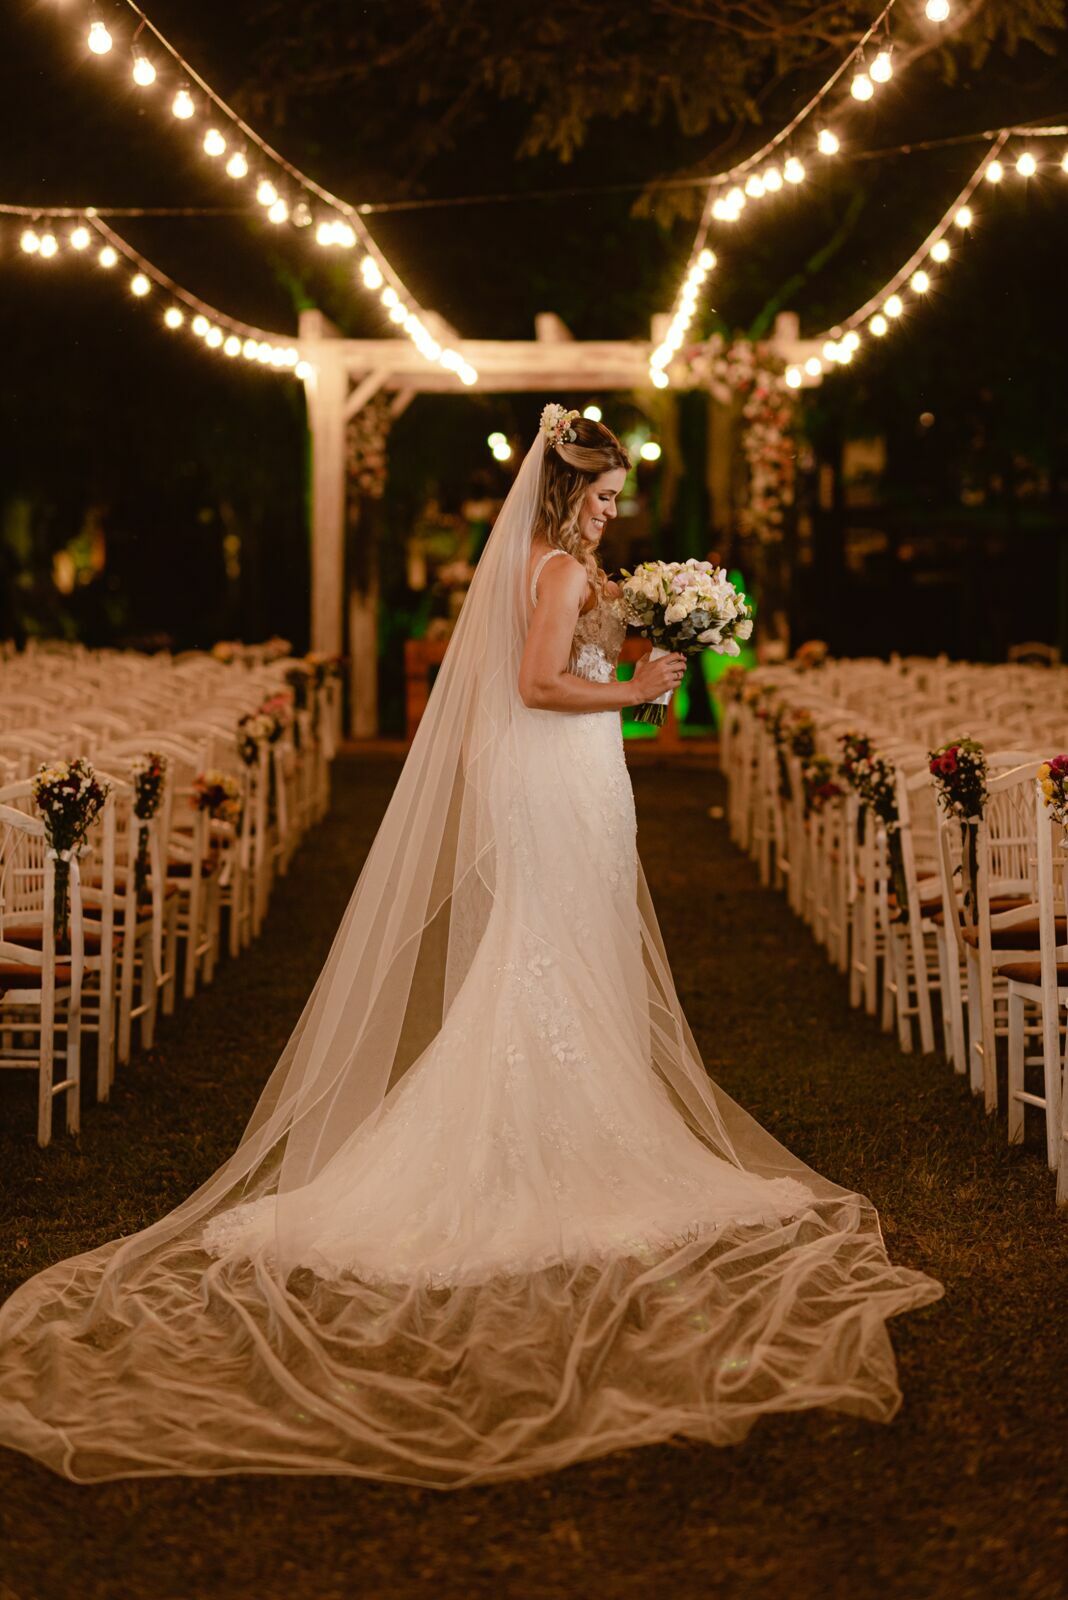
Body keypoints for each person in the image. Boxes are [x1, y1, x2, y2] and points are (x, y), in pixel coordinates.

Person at [0, 407, 942, 1488]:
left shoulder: (577, 568)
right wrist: (632, 690)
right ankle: (531, 1133)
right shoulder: (548, 571)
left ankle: (584, 1111)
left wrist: (641, 669)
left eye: (617, 495)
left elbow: (577, 683)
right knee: (542, 947)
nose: (613, 506)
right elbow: (538, 688)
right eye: (603, 493)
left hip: (585, 770)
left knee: (579, 948)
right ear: (563, 493)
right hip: (551, 773)